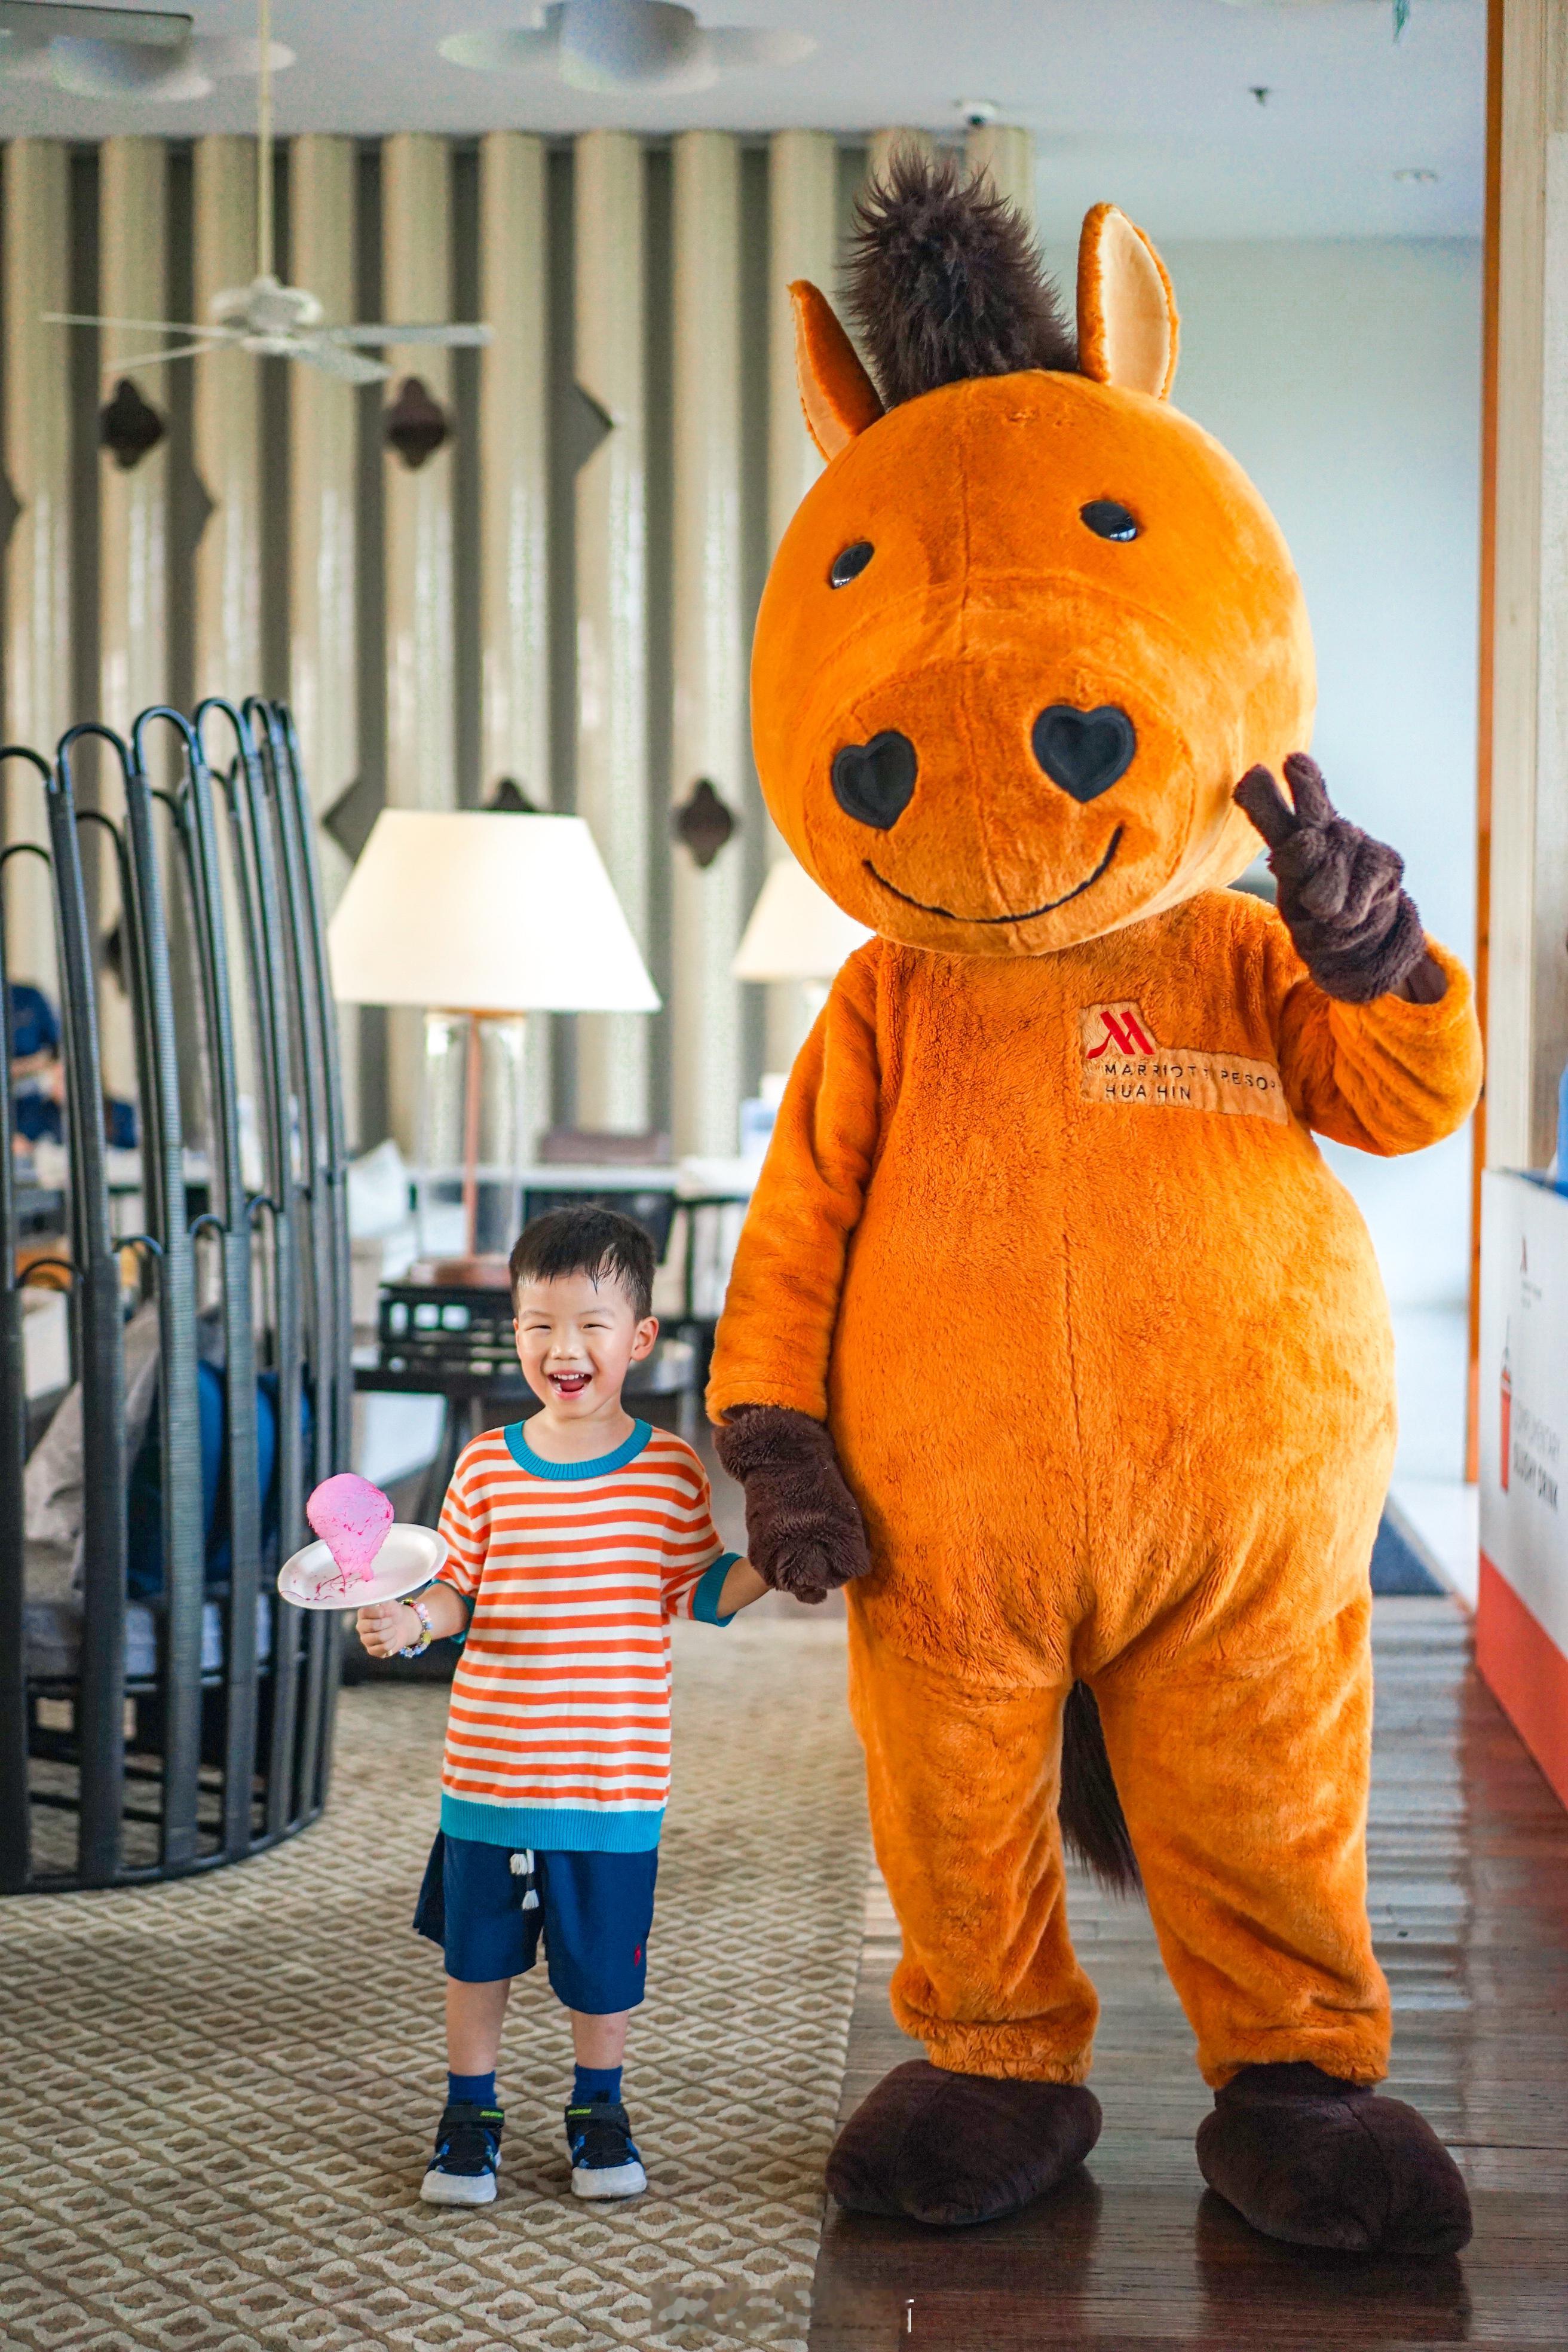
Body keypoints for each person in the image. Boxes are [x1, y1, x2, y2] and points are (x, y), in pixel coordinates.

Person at [357, 1205, 767, 2209]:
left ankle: (598, 2107)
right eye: (539, 1323)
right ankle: (469, 2112)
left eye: (591, 1324)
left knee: (603, 1971)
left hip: (613, 1784)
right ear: (516, 1335)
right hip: (491, 1774)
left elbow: (701, 1591)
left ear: (639, 1339)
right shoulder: (487, 1465)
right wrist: (415, 1622)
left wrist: (789, 1567)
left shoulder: (668, 1471)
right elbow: (458, 1587)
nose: (563, 1347)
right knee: (477, 1960)